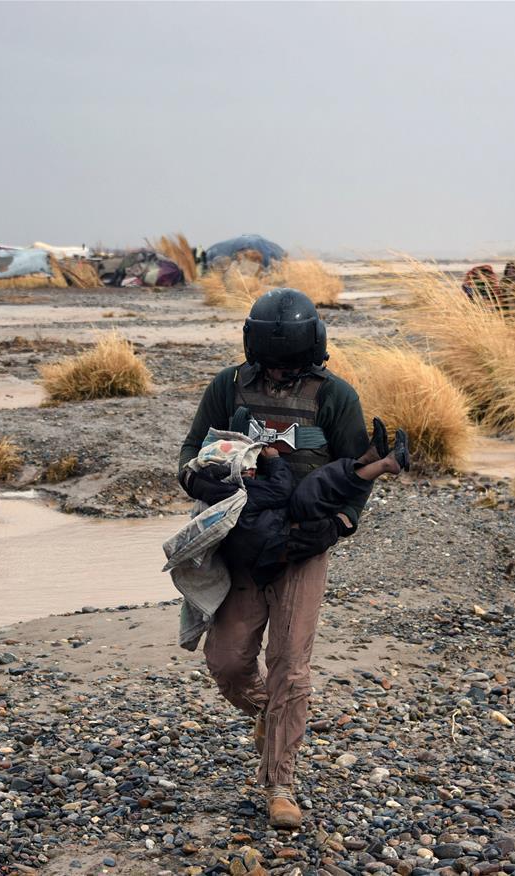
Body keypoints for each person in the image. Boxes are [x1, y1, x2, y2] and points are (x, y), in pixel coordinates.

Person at [178, 287, 372, 829]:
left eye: (291, 367)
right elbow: (191, 447)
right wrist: (196, 477)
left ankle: (279, 786)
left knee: (291, 664)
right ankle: (270, 714)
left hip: (303, 545)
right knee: (228, 662)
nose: (281, 376)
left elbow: (357, 471)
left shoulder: (336, 396)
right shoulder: (228, 386)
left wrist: (340, 523)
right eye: (272, 365)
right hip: (239, 544)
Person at [209, 418, 409, 587]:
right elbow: (281, 490)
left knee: (320, 484)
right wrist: (274, 461)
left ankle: (368, 459)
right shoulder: (242, 492)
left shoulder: (221, 491)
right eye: (245, 469)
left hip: (275, 532)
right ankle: (385, 464)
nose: (252, 470)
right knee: (317, 487)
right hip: (280, 538)